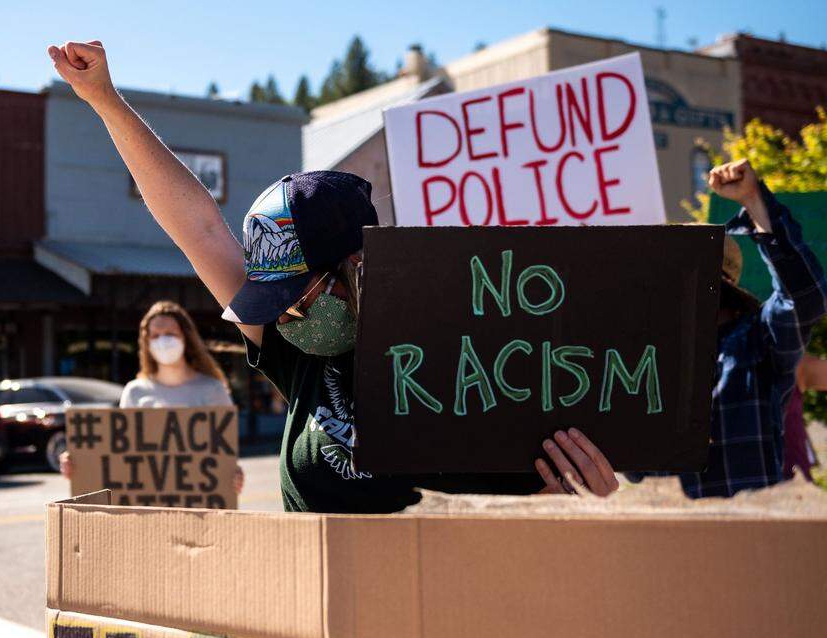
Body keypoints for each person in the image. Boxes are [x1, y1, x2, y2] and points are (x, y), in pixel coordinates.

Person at [46, 41, 617, 513]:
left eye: (299, 297)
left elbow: (536, 508)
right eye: (273, 305)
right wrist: (105, 101)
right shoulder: (300, 359)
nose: (285, 317)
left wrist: (580, 487)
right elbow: (197, 225)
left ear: (358, 269)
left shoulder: (478, 358)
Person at [669, 161, 825, 497]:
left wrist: (754, 202)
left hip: (752, 537)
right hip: (667, 539)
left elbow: (805, 298)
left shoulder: (759, 339)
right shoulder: (648, 359)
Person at [60, 300, 244, 491]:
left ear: (185, 337)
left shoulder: (213, 389)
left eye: (170, 334)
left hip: (201, 510)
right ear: (146, 343)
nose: (163, 341)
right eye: (155, 336)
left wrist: (232, 476)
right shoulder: (135, 392)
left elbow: (225, 455)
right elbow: (122, 456)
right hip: (151, 511)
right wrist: (79, 463)